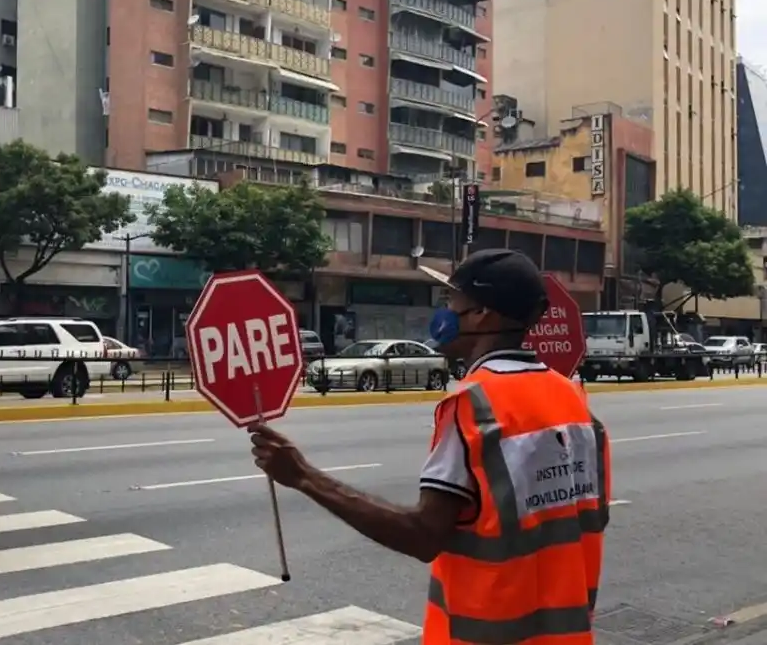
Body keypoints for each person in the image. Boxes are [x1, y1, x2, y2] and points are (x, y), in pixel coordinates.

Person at [249, 248, 611, 645]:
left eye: (451, 301)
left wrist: (303, 477)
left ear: (482, 314)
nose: (444, 313)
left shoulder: (474, 406)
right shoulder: (572, 399)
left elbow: (422, 535)